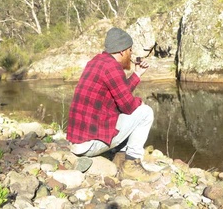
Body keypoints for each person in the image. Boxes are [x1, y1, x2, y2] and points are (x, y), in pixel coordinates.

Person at [67, 27, 159, 182]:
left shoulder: (96, 62)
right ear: (122, 51)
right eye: (130, 50)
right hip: (89, 146)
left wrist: (136, 74)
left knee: (126, 112)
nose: (130, 55)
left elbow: (119, 93)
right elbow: (128, 106)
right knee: (145, 112)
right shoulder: (113, 67)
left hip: (77, 142)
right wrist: (138, 102)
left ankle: (119, 158)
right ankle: (131, 166)